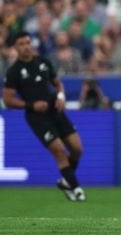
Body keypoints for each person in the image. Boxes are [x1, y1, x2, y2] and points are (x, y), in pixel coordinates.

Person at [3, 31, 86, 201]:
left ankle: (65, 181)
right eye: (21, 44)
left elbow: (57, 83)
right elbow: (8, 100)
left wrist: (61, 96)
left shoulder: (43, 62)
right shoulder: (14, 72)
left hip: (55, 110)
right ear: (16, 48)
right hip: (36, 117)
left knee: (77, 148)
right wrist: (30, 105)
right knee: (59, 151)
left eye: (28, 42)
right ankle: (76, 188)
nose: (26, 46)